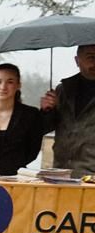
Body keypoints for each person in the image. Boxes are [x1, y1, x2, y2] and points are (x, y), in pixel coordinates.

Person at [39, 43, 95, 174]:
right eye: (90, 57)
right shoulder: (63, 90)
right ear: (77, 60)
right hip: (61, 171)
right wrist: (47, 111)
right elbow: (45, 128)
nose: (94, 61)